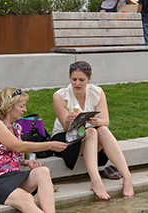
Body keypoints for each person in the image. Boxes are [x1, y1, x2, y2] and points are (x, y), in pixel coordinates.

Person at [0, 87, 67, 213]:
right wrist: (49, 145)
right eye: (21, 106)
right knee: (25, 198)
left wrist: (25, 162)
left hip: (11, 176)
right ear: (9, 105)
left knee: (42, 172)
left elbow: (10, 153)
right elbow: (17, 146)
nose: (25, 110)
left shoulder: (16, 128)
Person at [52, 61, 134, 200]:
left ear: (89, 79)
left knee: (102, 130)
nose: (77, 83)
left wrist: (96, 121)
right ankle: (95, 180)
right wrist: (68, 120)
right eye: (74, 79)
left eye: (81, 80)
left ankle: (127, 177)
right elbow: (66, 129)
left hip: (90, 136)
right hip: (65, 138)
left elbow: (106, 121)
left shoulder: (97, 92)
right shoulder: (60, 96)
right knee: (92, 132)